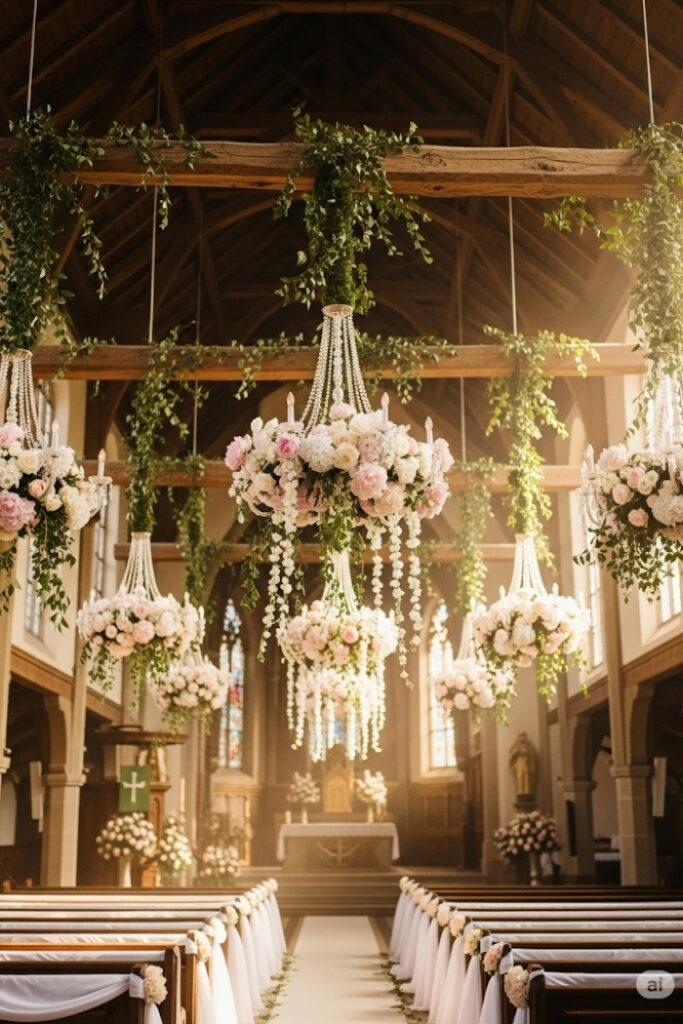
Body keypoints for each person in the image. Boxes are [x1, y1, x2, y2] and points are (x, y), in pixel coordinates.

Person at [509, 732, 537, 797]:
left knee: (526, 778)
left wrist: (528, 754)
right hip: (519, 764)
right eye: (521, 736)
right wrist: (518, 752)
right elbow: (512, 754)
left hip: (527, 764)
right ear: (519, 737)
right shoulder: (516, 745)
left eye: (523, 735)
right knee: (520, 778)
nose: (522, 737)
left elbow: (533, 754)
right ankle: (520, 793)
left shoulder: (529, 745)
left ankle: (527, 793)